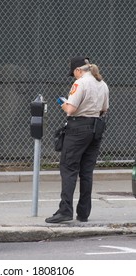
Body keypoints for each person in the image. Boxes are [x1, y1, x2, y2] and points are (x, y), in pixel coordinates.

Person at [45, 56, 109, 223]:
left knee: (69, 168)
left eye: (74, 73)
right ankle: (83, 213)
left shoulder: (80, 83)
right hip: (96, 129)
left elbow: (71, 109)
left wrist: (62, 103)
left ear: (78, 70)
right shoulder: (102, 84)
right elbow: (104, 109)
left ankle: (65, 211)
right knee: (86, 172)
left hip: (78, 129)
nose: (74, 76)